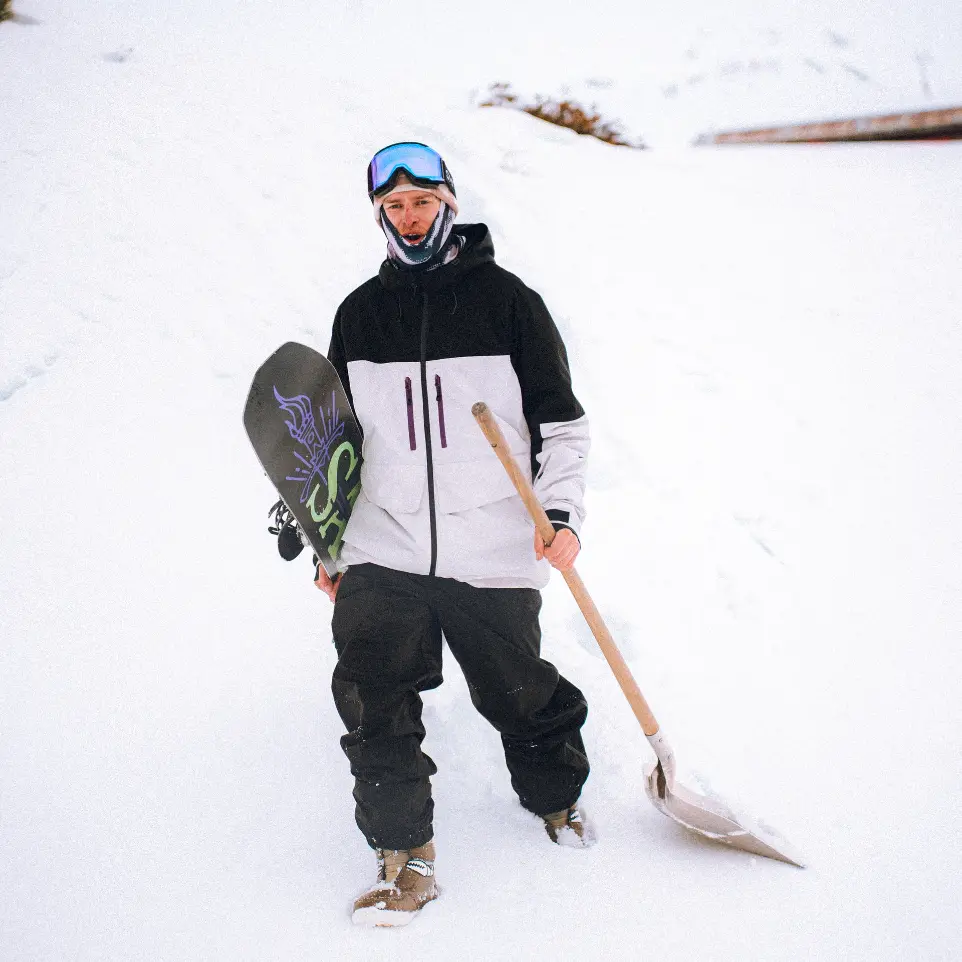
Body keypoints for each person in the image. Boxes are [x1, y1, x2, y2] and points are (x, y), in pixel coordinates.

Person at [317, 142, 592, 926]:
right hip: (383, 544)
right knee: (374, 698)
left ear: (449, 203)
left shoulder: (510, 303)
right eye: (393, 207)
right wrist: (330, 547)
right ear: (379, 215)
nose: (409, 218)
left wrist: (561, 516)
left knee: (520, 694)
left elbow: (563, 429)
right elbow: (335, 450)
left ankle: (558, 800)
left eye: (423, 203)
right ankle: (403, 851)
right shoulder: (359, 315)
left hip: (493, 546)